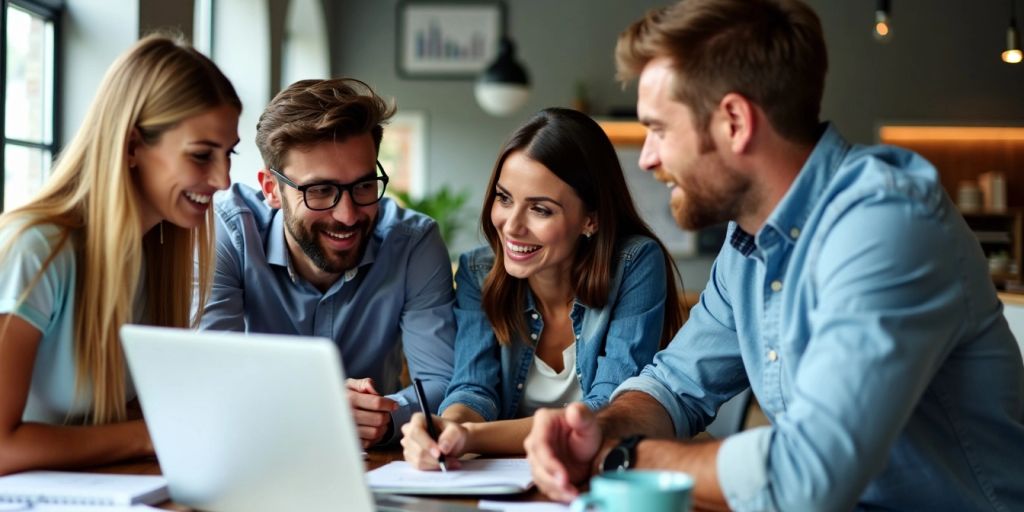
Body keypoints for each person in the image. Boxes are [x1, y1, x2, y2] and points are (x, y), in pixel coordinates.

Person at [524, 1, 1024, 510]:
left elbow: (807, 477)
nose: (648, 157)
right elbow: (674, 385)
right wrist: (596, 430)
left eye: (659, 129)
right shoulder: (747, 247)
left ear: (735, 122)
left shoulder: (887, 225)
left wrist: (625, 458)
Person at [0, 35, 240, 474]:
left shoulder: (154, 254)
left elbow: (122, 415)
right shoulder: (36, 249)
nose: (223, 179)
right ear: (131, 146)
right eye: (202, 155)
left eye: (229, 154)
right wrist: (151, 434)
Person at [400, 108, 683, 468]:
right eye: (504, 199)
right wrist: (446, 427)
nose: (511, 226)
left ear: (590, 219)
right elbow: (474, 387)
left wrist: (471, 436)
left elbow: (611, 409)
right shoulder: (478, 271)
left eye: (540, 210)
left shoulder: (635, 264)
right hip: (508, 485)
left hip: (603, 478)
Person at [200, 78, 455, 447]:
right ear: (272, 190)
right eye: (320, 190)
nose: (348, 215)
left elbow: (441, 384)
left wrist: (382, 418)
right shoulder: (227, 233)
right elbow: (210, 378)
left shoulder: (412, 243)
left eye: (364, 186)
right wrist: (318, 408)